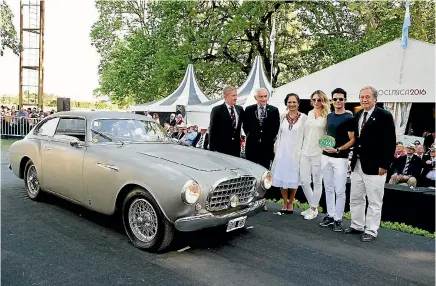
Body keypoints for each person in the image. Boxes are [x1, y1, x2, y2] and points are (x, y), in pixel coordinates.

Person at [344, 86, 396, 242]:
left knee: (374, 200)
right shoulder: (358, 114)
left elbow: (390, 141)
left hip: (376, 166)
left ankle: (371, 230)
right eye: (361, 97)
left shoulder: (384, 116)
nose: (364, 100)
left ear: (375, 98)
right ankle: (357, 225)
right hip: (357, 164)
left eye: (367, 97)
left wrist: (385, 164)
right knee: (355, 197)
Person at [319, 88, 355, 232]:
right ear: (331, 101)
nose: (338, 101)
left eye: (341, 99)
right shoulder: (329, 116)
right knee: (328, 187)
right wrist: (324, 145)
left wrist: (339, 149)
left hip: (340, 157)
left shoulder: (349, 117)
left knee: (339, 190)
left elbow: (353, 139)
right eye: (335, 99)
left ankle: (338, 219)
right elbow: (328, 135)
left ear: (345, 100)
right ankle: (330, 214)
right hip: (325, 155)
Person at [270, 93, 307, 213]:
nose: (292, 104)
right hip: (282, 151)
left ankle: (291, 201)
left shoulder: (304, 118)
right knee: (282, 176)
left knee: (293, 177)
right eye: (289, 102)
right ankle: (284, 201)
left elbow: (306, 136)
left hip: (296, 152)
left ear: (298, 103)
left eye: (294, 102)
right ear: (286, 103)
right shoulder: (282, 117)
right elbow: (276, 134)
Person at [299, 90, 329, 220]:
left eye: (319, 100)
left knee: (317, 181)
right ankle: (314, 206)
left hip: (319, 152)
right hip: (305, 152)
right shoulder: (310, 113)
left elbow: (329, 135)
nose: (316, 102)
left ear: (323, 101)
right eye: (314, 99)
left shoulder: (328, 115)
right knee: (304, 181)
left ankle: (312, 208)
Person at [243, 87, 280, 169]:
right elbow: (245, 126)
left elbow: (275, 128)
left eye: (265, 96)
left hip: (267, 147)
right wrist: (254, 136)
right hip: (252, 147)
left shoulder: (274, 110)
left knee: (265, 171)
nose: (264, 99)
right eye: (261, 97)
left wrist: (267, 139)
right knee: (251, 170)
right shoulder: (249, 110)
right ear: (255, 98)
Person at [209, 86, 245, 157]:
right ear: (226, 96)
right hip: (221, 150)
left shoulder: (239, 109)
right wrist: (212, 150)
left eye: (236, 95)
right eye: (233, 95)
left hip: (235, 150)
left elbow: (246, 125)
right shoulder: (217, 110)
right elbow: (212, 131)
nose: (236, 98)